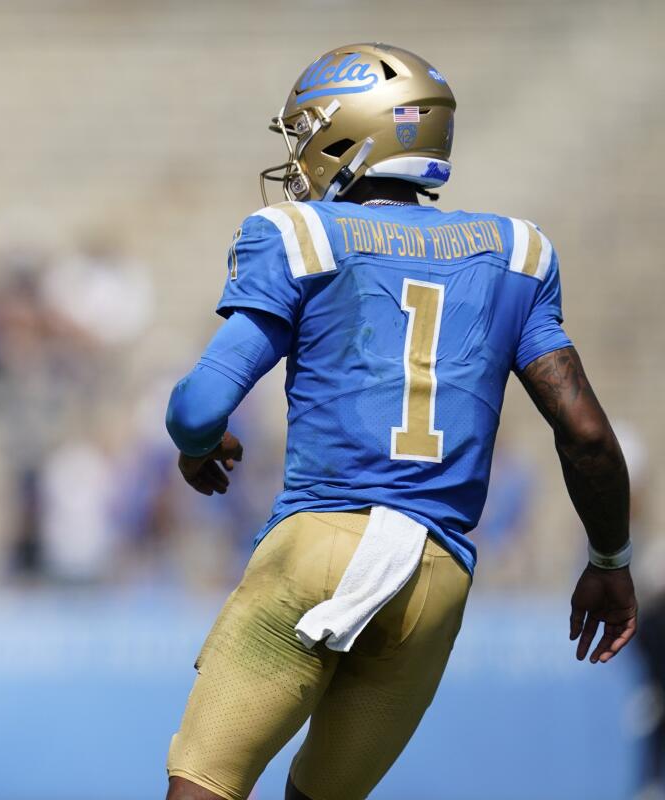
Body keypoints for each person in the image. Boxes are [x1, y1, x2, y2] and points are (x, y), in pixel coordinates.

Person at [162, 44, 636, 800]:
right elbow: (584, 435)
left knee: (207, 785)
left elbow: (197, 406)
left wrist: (197, 446)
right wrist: (610, 562)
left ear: (351, 134)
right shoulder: (517, 253)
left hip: (317, 545)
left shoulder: (304, 234)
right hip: (434, 573)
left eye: (310, 132)